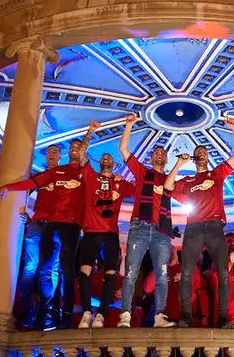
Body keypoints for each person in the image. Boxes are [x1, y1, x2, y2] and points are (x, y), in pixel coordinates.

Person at [0, 129, 93, 329]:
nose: (75, 150)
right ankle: (41, 313)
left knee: (65, 269)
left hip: (72, 225)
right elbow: (32, 183)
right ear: (67, 152)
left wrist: (90, 132)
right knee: (41, 269)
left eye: (78, 147)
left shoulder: (86, 172)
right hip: (51, 224)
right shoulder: (55, 172)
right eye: (72, 147)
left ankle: (64, 314)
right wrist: (7, 187)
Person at [165, 118, 234, 329]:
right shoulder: (188, 180)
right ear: (194, 159)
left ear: (208, 157)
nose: (201, 154)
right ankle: (185, 317)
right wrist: (179, 164)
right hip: (193, 227)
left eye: (204, 152)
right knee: (187, 272)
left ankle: (223, 317)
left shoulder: (216, 174)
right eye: (197, 152)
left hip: (214, 226)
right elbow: (168, 185)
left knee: (223, 271)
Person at [117, 114, 176, 328]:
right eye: (156, 153)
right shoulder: (143, 172)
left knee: (162, 273)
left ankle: (160, 316)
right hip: (140, 227)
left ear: (166, 159)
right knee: (131, 272)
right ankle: (125, 315)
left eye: (163, 153)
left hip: (161, 231)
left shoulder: (169, 179)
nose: (159, 154)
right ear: (151, 159)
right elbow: (124, 150)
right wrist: (129, 125)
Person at [76, 122, 134, 328]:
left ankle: (101, 315)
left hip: (110, 234)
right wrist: (90, 131)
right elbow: (82, 153)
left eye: (110, 157)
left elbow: (142, 189)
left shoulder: (121, 182)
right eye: (103, 157)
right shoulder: (91, 177)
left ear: (115, 165)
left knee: (111, 273)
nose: (106, 158)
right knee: (85, 271)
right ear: (100, 162)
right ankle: (86, 312)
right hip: (91, 232)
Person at [14, 144, 63, 328]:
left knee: (53, 268)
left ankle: (47, 312)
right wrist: (25, 213)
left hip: (56, 225)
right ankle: (28, 310)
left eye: (55, 152)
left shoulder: (64, 177)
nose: (51, 154)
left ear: (60, 156)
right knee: (29, 267)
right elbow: (24, 189)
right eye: (48, 152)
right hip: (37, 223)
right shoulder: (40, 177)